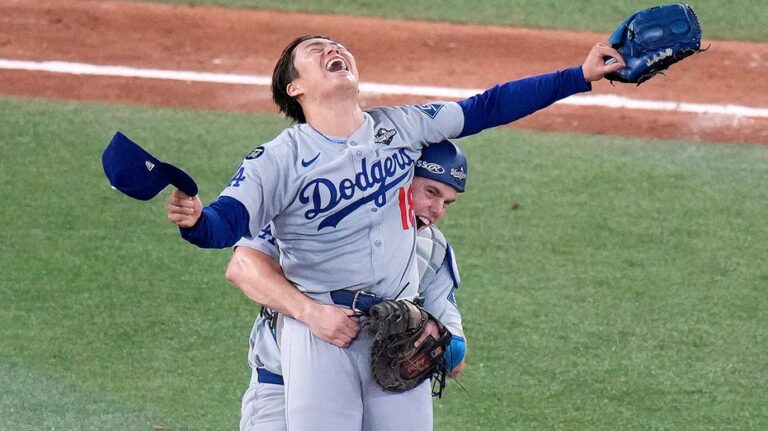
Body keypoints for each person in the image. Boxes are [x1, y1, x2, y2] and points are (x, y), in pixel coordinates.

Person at [166, 34, 625, 430]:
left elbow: (487, 107)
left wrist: (578, 75)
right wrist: (196, 220)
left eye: (336, 45)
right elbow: (224, 225)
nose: (332, 48)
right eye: (316, 49)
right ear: (295, 87)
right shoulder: (278, 159)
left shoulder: (402, 126)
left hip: (400, 329)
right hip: (322, 330)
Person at [233, 141, 469, 431]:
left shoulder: (431, 249)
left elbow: (455, 356)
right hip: (280, 382)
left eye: (447, 202)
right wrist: (311, 313)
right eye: (430, 192)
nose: (437, 210)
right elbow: (243, 267)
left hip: (377, 393)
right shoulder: (322, 211)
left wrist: (429, 340)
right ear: (401, 175)